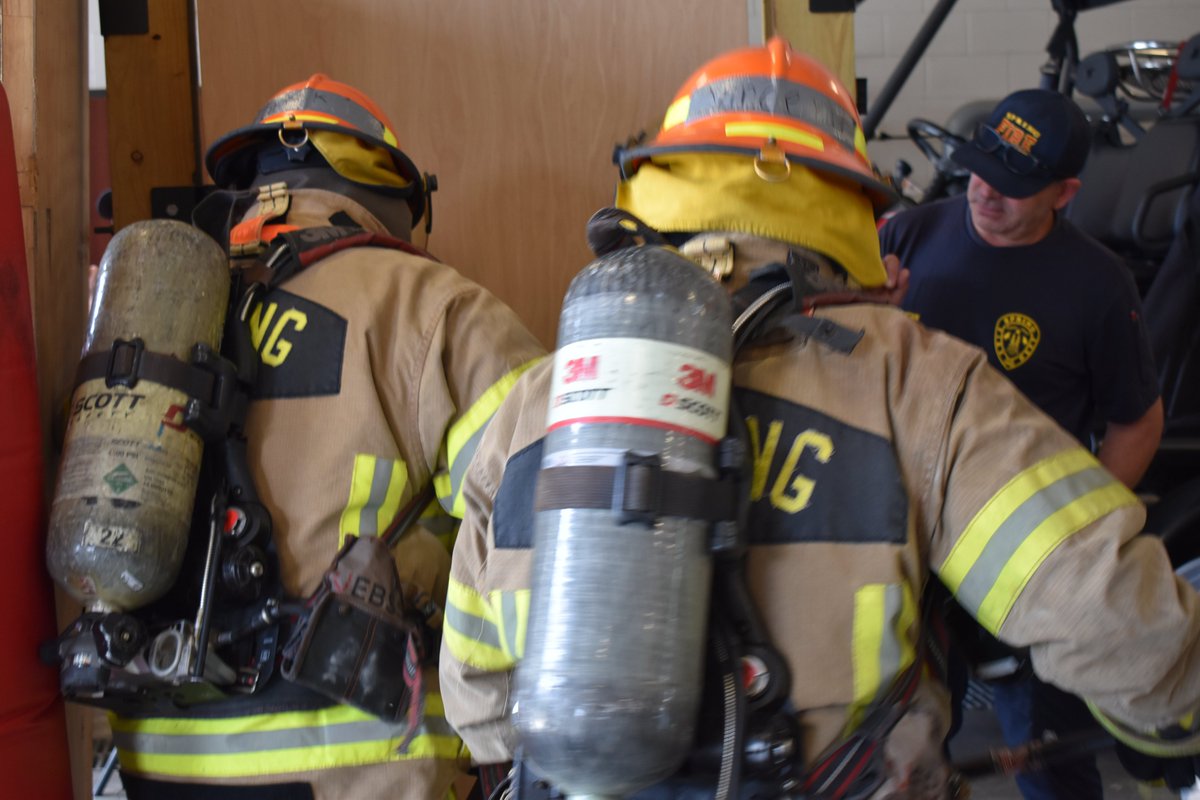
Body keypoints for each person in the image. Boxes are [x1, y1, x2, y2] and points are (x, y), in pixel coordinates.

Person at [439, 39, 1200, 800]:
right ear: (843, 197)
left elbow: (475, 680)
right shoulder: (919, 380)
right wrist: (1173, 720)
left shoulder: (538, 399)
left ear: (662, 179)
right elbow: (1116, 617)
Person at [108, 74, 546, 799]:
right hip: (355, 766)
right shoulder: (428, 305)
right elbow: (545, 511)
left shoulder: (162, 313)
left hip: (159, 765)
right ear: (395, 195)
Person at [879, 89, 1165, 800]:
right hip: (906, 544)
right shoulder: (904, 238)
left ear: (1065, 193)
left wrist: (1073, 533)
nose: (985, 192)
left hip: (1021, 561)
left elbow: (1138, 422)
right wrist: (865, 305)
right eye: (980, 170)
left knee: (1046, 759)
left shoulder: (1098, 283)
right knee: (901, 759)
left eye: (1012, 186)